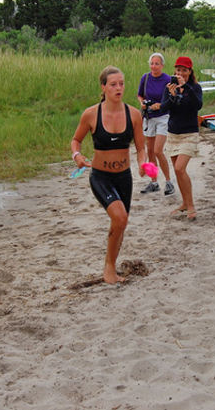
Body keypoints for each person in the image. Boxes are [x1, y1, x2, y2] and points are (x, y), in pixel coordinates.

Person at [71, 66, 146, 284]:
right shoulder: (91, 114)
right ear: (103, 87)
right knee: (119, 217)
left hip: (124, 177)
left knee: (122, 223)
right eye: (113, 84)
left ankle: (111, 267)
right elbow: (76, 140)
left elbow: (141, 148)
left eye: (121, 83)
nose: (118, 88)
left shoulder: (133, 114)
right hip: (101, 177)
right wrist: (77, 155)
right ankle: (109, 269)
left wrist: (143, 164)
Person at [161, 56, 203, 221]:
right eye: (178, 70)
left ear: (190, 72)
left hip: (189, 133)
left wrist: (186, 88)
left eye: (184, 70)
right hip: (173, 133)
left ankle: (191, 205)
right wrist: (172, 96)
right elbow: (164, 108)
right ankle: (184, 203)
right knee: (178, 172)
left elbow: (198, 105)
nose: (181, 73)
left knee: (180, 168)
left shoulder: (195, 87)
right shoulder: (169, 87)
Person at [137, 53, 175, 196]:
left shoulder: (167, 80)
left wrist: (160, 106)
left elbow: (172, 99)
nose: (154, 66)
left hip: (163, 117)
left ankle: (169, 181)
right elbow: (140, 95)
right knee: (150, 151)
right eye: (152, 63)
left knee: (158, 151)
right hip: (149, 118)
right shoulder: (145, 78)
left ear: (162, 65)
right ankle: (154, 182)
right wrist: (142, 103)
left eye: (157, 64)